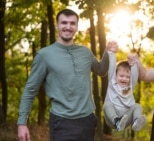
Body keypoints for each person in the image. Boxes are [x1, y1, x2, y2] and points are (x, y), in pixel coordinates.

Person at [17, 9, 118, 141]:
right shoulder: (44, 55)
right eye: (64, 23)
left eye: (72, 23)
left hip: (87, 120)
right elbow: (30, 90)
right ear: (57, 25)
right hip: (61, 123)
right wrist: (22, 123)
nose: (68, 27)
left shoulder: (85, 52)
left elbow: (101, 70)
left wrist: (107, 52)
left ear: (76, 26)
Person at [103, 51, 147, 132]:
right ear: (115, 75)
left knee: (137, 106)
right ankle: (117, 121)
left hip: (126, 119)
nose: (124, 78)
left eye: (127, 77)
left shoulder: (129, 87)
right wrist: (111, 53)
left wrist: (133, 61)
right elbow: (112, 67)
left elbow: (134, 75)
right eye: (121, 76)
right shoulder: (112, 84)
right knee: (107, 105)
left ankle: (136, 122)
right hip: (111, 118)